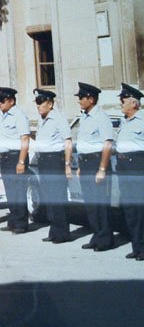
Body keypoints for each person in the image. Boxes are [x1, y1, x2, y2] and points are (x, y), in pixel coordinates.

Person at [75, 82, 115, 252]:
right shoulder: (84, 117)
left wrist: (102, 169)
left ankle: (106, 239)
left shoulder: (101, 117)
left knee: (100, 204)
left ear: (90, 99)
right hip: (84, 163)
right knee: (90, 204)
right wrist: (78, 166)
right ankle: (96, 235)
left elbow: (107, 144)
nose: (79, 101)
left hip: (97, 163)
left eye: (81, 98)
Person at [33, 89, 73, 244]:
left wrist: (67, 164)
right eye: (36, 103)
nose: (38, 106)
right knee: (48, 198)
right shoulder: (42, 119)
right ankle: (54, 230)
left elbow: (68, 142)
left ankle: (62, 233)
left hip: (54, 161)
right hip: (43, 161)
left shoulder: (58, 119)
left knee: (58, 197)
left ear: (50, 103)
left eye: (40, 103)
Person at [0, 87, 31, 234]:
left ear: (11, 101)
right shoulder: (3, 116)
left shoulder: (19, 115)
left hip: (16, 157)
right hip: (5, 158)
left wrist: (21, 161)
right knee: (10, 192)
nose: (0, 104)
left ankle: (22, 223)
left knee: (18, 192)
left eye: (2, 101)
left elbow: (25, 139)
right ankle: (13, 220)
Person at [115, 83, 144, 261]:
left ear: (134, 103)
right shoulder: (124, 121)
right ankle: (136, 246)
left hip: (138, 165)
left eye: (123, 100)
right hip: (124, 166)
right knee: (130, 208)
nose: (120, 103)